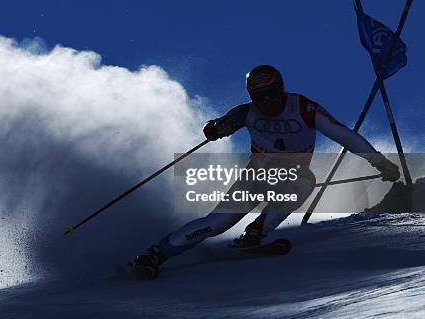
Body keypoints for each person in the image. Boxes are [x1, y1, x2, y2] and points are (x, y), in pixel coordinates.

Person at [133, 64, 400, 276]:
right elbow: (224, 123)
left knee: (304, 180)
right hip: (255, 178)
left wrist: (378, 161)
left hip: (291, 177)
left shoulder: (304, 108)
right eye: (259, 97)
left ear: (282, 89)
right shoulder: (248, 112)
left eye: (272, 93)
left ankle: (256, 232)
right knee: (216, 223)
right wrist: (216, 128)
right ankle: (156, 253)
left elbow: (345, 136)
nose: (267, 102)